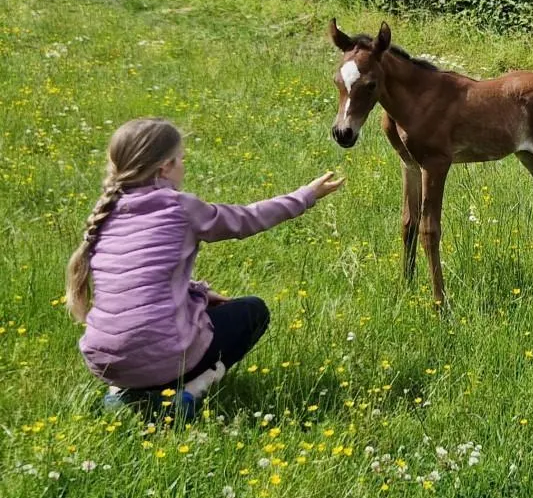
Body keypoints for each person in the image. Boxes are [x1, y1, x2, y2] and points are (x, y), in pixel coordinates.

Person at [66, 117, 344, 420]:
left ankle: (122, 394)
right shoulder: (178, 207)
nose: (184, 166)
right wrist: (305, 196)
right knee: (252, 312)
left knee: (151, 336)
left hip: (104, 361)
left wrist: (198, 293)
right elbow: (247, 219)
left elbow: (138, 279)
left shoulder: (105, 214)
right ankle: (190, 391)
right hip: (166, 355)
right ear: (165, 167)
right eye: (181, 159)